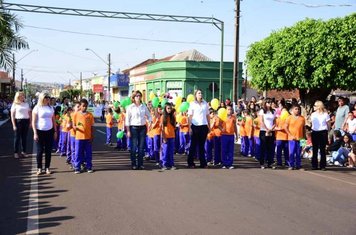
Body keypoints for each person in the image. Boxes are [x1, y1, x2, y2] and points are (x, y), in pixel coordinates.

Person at [125, 90, 152, 170]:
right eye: (137, 96)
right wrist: (128, 131)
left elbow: (149, 116)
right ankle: (133, 163)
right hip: (133, 128)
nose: (138, 97)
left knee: (141, 147)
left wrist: (149, 121)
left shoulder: (143, 106)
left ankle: (140, 164)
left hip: (142, 128)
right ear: (133, 97)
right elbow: (127, 120)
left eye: (139, 96)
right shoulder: (130, 107)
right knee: (133, 147)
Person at [32, 92, 56, 175]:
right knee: (40, 151)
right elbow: (33, 121)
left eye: (48, 97)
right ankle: (39, 168)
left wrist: (55, 131)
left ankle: (47, 168)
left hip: (49, 131)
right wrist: (35, 133)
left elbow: (53, 120)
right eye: (46, 97)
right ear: (42, 98)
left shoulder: (51, 108)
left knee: (48, 151)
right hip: (40, 131)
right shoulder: (37, 107)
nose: (48, 99)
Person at [187, 89, 210, 168]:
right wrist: (190, 127)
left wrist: (209, 125)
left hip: (203, 126)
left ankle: (203, 163)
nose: (200, 94)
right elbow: (190, 116)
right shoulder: (192, 104)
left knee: (201, 146)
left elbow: (207, 115)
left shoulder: (205, 103)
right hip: (195, 126)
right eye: (199, 93)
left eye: (201, 93)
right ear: (195, 95)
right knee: (193, 145)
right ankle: (190, 162)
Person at [72, 99, 95, 174]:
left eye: (86, 106)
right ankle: (77, 167)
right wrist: (74, 127)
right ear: (80, 106)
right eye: (83, 106)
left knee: (88, 153)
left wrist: (92, 135)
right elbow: (73, 124)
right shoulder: (76, 114)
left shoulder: (90, 115)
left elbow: (92, 126)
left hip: (88, 137)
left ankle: (89, 167)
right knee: (78, 153)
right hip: (79, 137)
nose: (84, 107)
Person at [310, 100, 330, 170]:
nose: (314, 107)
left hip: (323, 132)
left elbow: (328, 124)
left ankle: (323, 165)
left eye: (315, 106)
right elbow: (311, 123)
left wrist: (328, 132)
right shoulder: (313, 114)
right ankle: (314, 165)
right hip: (315, 132)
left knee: (322, 149)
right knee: (314, 149)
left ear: (319, 106)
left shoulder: (325, 114)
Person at [11, 91, 31, 158]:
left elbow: (29, 113)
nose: (23, 96)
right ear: (18, 96)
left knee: (24, 138)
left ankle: (23, 152)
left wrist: (30, 122)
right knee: (17, 138)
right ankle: (16, 152)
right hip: (18, 121)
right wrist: (14, 125)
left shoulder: (26, 104)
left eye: (23, 95)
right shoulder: (15, 104)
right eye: (21, 95)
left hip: (26, 121)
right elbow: (12, 115)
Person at [285, 104, 306, 170]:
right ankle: (291, 165)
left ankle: (298, 165)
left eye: (298, 109)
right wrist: (290, 135)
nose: (297, 110)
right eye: (296, 109)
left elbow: (304, 129)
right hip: (292, 138)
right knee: (291, 152)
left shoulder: (302, 118)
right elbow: (285, 127)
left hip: (300, 138)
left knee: (298, 153)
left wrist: (304, 140)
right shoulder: (289, 118)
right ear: (292, 110)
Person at [259, 98, 276, 169]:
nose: (269, 104)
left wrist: (271, 129)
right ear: (265, 103)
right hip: (264, 131)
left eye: (270, 103)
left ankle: (270, 163)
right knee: (263, 147)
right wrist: (266, 129)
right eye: (268, 102)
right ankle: (262, 163)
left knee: (271, 147)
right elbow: (261, 121)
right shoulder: (262, 111)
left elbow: (275, 122)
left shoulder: (273, 111)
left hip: (271, 130)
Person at [160, 103, 177, 170]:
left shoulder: (173, 117)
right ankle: (164, 164)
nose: (169, 110)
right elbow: (162, 128)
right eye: (168, 108)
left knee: (171, 151)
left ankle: (171, 164)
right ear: (165, 109)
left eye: (170, 108)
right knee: (165, 150)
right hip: (165, 136)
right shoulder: (163, 117)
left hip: (172, 136)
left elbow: (174, 127)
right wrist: (164, 137)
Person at [221, 104, 237, 169]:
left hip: (231, 135)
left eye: (230, 109)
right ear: (226, 110)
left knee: (230, 150)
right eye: (228, 109)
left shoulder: (233, 117)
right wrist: (221, 129)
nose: (229, 111)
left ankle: (230, 163)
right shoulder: (222, 117)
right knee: (224, 150)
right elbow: (218, 124)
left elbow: (235, 126)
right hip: (224, 135)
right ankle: (224, 163)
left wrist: (237, 134)